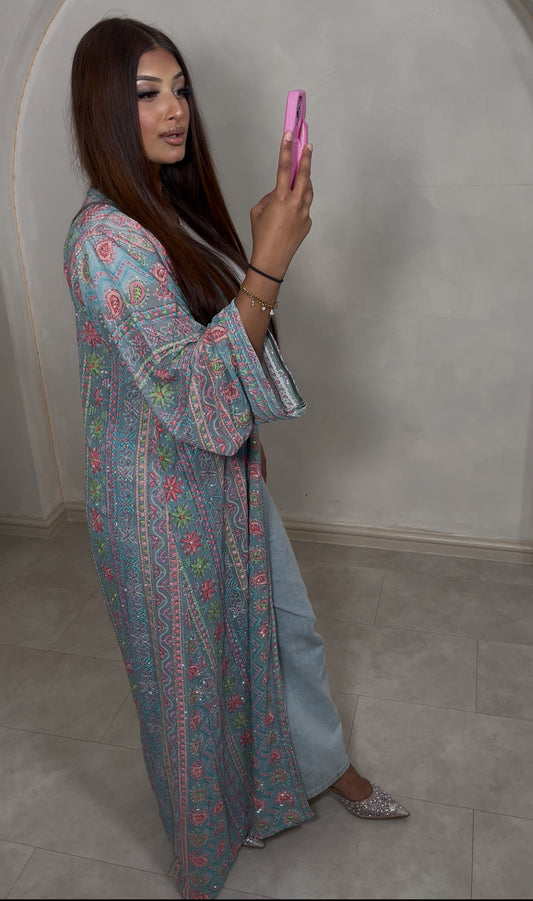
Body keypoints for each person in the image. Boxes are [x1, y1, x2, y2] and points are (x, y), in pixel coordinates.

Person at [63, 16, 409, 900]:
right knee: (188, 686)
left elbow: (214, 362)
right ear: (103, 109)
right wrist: (269, 263)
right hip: (154, 498)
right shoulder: (105, 242)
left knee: (284, 629)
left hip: (218, 472)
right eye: (147, 94)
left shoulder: (163, 206)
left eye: (179, 89)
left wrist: (263, 245)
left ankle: (320, 763)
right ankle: (202, 853)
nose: (175, 109)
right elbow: (190, 392)